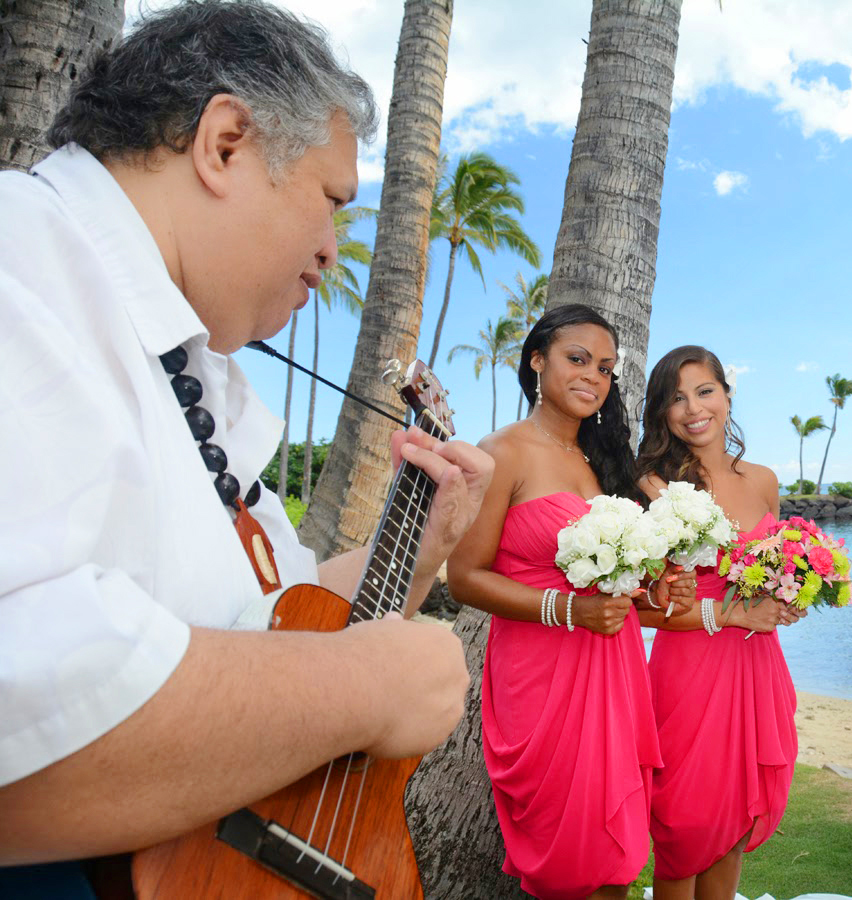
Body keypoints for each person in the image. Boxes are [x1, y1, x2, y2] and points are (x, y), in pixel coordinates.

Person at [0, 1, 488, 893]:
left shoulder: (194, 364)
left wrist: (417, 548)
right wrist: (363, 692)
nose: (333, 251)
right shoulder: (19, 262)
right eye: (331, 200)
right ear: (225, 144)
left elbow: (277, 620)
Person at [444, 305, 694, 900]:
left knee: (616, 856)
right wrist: (569, 611)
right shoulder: (502, 451)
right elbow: (464, 578)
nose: (593, 377)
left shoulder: (604, 461)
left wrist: (655, 593)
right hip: (542, 674)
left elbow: (621, 588)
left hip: (615, 669)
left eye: (605, 368)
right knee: (565, 859)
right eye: (577, 359)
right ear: (537, 360)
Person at [634, 345, 802, 900]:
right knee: (683, 830)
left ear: (727, 397)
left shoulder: (764, 480)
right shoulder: (653, 486)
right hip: (689, 671)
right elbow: (646, 607)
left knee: (733, 826)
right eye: (676, 398)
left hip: (756, 667)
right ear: (662, 413)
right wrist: (731, 612)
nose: (693, 408)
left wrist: (787, 599)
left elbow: (771, 572)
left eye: (704, 391)